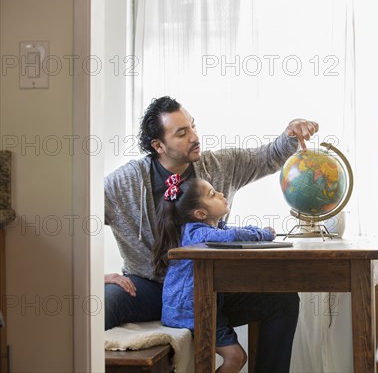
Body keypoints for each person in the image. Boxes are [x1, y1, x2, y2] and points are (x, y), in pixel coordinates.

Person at [103, 97, 318, 356]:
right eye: (182, 133)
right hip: (148, 287)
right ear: (158, 145)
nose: (194, 137)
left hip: (208, 288)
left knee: (282, 300)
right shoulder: (125, 182)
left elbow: (266, 157)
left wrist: (291, 133)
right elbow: (75, 218)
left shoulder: (218, 165)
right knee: (104, 301)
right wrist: (94, 278)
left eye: (193, 126)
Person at [155, 175, 292, 372]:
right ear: (201, 213)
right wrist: (265, 234)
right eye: (212, 194)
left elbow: (233, 232)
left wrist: (258, 232)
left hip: (204, 302)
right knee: (235, 357)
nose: (221, 194)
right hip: (189, 311)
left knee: (281, 301)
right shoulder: (197, 233)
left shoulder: (210, 229)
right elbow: (233, 236)